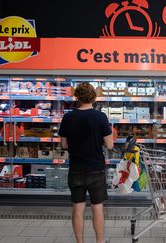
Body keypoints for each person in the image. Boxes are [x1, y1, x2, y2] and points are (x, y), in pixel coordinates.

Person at [59, 82, 114, 243]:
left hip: (75, 169)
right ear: (94, 97)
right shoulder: (100, 116)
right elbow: (110, 144)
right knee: (97, 207)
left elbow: (63, 145)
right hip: (96, 169)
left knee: (78, 207)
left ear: (77, 97)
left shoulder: (68, 117)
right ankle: (100, 241)